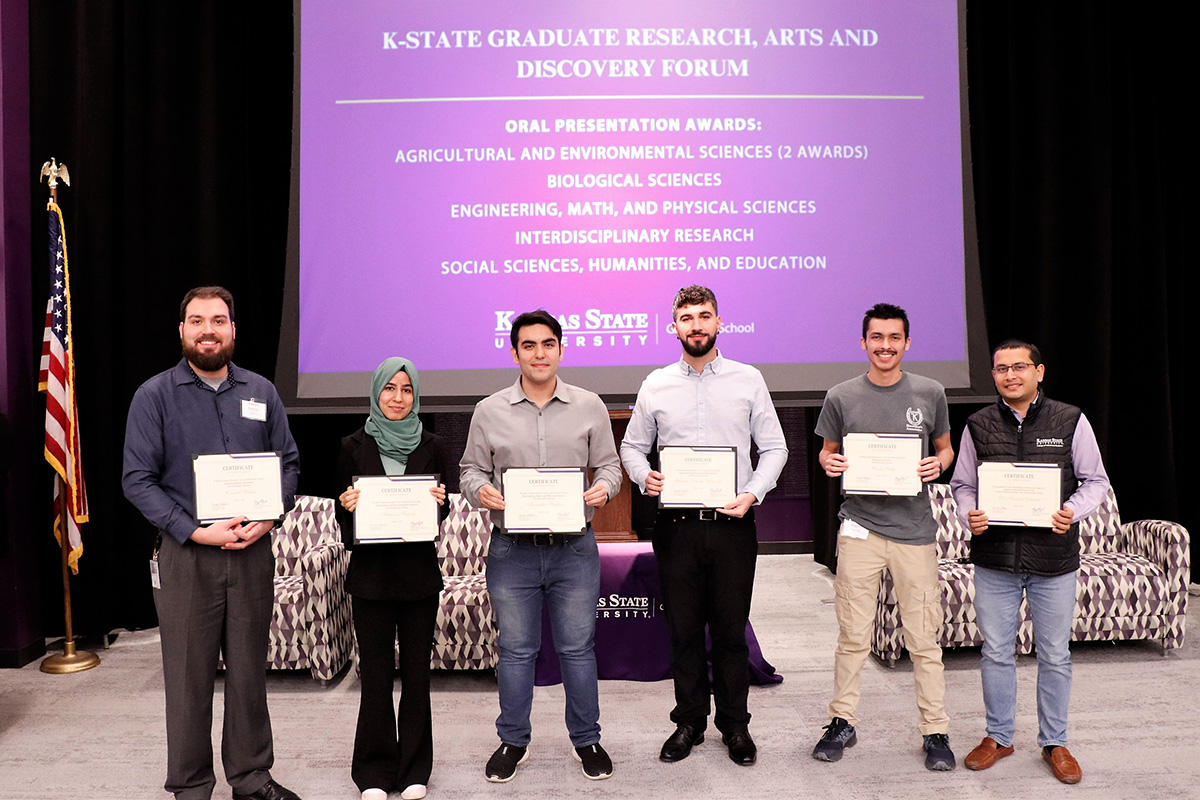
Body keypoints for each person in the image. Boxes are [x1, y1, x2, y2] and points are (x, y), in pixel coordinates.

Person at [122, 286, 302, 800]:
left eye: (218, 320)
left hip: (252, 551)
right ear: (182, 330)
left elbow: (287, 464)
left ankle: (250, 778)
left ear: (233, 330)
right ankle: (191, 785)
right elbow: (137, 480)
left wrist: (267, 519)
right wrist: (197, 530)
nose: (208, 330)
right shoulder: (154, 396)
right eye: (197, 321)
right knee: (187, 677)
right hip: (186, 555)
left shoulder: (261, 392)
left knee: (249, 672)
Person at [620, 285, 788, 767]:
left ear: (719, 323)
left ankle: (735, 726)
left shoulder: (748, 379)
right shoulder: (655, 384)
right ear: (673, 326)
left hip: (733, 524)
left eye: (704, 315)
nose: (696, 324)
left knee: (731, 632)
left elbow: (775, 447)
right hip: (676, 527)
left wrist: (752, 492)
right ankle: (689, 721)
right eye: (686, 317)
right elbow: (632, 446)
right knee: (685, 631)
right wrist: (642, 474)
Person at [459, 309, 622, 784]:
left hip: (574, 549)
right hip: (513, 550)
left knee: (577, 649)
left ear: (561, 349)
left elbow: (610, 467)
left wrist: (604, 489)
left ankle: (586, 739)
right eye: (528, 345)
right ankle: (513, 740)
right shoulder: (488, 410)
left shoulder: (589, 405)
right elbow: (471, 470)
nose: (539, 353)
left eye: (547, 344)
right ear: (514, 353)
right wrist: (479, 491)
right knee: (515, 651)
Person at [950, 340, 1109, 784]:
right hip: (995, 559)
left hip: (1054, 560)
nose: (1010, 375)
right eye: (1001, 368)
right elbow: (962, 484)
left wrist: (1070, 511)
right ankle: (998, 737)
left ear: (1039, 371)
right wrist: (970, 512)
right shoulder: (977, 424)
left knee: (1055, 654)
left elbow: (1095, 481)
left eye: (1020, 367)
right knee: (996, 652)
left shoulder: (1070, 419)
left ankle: (1055, 742)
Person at [811, 302, 956, 771]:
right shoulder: (841, 396)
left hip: (914, 531)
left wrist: (940, 464)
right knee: (852, 635)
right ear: (864, 343)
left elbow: (945, 448)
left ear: (907, 343)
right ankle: (842, 721)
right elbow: (827, 454)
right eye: (877, 338)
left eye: (895, 338)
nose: (886, 346)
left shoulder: (930, 392)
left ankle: (935, 731)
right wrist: (828, 464)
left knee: (923, 639)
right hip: (860, 529)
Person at [336, 358, 454, 800]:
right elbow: (342, 518)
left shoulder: (434, 444)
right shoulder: (351, 445)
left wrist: (440, 503)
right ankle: (373, 773)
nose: (398, 398)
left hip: (419, 578)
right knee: (377, 676)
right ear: (376, 392)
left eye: (406, 389)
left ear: (415, 394)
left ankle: (414, 770)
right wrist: (346, 506)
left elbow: (439, 514)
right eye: (390, 389)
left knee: (418, 677)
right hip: (370, 579)